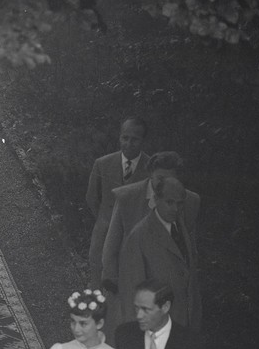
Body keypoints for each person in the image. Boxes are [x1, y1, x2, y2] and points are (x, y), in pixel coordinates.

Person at [100, 152, 200, 337]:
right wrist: (114, 284)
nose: (164, 184)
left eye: (171, 178)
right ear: (150, 175)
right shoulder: (127, 198)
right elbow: (111, 247)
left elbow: (187, 249)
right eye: (160, 178)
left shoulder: (189, 202)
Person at [118, 174, 202, 331]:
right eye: (169, 202)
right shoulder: (139, 236)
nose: (176, 209)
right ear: (156, 199)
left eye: (180, 204)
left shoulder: (181, 228)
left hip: (185, 327)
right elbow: (132, 293)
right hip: (157, 331)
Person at [85, 117, 151, 285]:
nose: (129, 143)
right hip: (104, 232)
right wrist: (104, 218)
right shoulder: (102, 164)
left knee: (127, 281)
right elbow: (92, 198)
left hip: (134, 237)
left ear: (143, 141)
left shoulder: (151, 169)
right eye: (125, 138)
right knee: (98, 278)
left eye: (135, 139)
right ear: (119, 137)